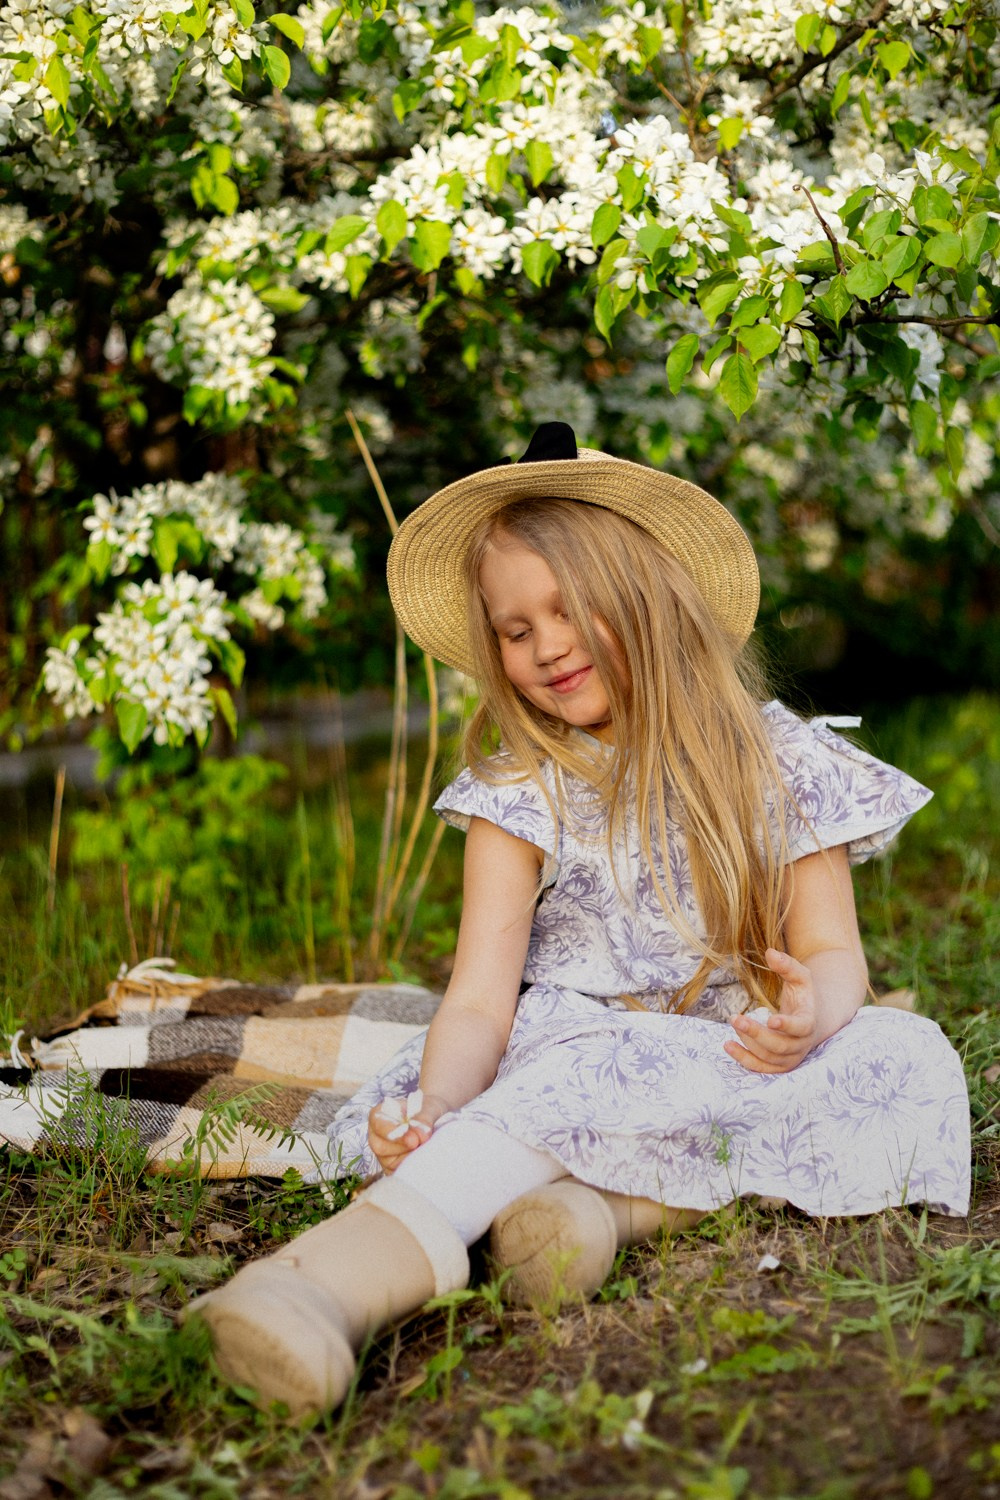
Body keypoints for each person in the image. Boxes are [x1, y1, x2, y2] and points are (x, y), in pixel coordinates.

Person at [185, 422, 971, 1416]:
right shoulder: (523, 789)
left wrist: (812, 1017)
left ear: (649, 601)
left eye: (569, 609)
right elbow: (477, 997)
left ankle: (599, 1210)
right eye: (514, 630)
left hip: (732, 1053)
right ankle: (318, 1284)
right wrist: (436, 1103)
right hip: (578, 1044)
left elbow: (830, 954)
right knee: (584, 1073)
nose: (545, 645)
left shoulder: (782, 761)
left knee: (902, 1063)